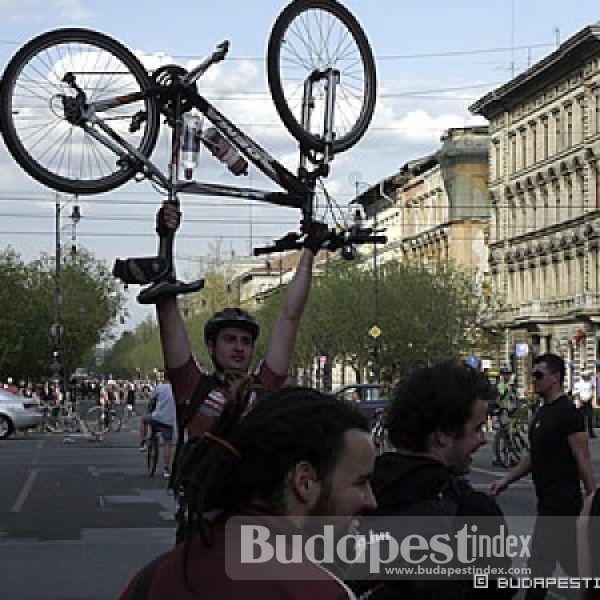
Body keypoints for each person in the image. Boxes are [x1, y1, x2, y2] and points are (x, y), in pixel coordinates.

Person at [120, 387, 377, 599]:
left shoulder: (157, 576)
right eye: (361, 482)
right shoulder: (317, 591)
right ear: (305, 481)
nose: (372, 500)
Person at [155, 202, 325, 438]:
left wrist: (309, 252)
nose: (239, 347)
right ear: (211, 347)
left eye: (246, 342)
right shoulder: (193, 386)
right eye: (230, 340)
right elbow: (166, 305)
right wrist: (166, 238)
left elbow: (290, 318)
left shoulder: (263, 387)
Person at [353, 361, 514, 599]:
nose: (483, 440)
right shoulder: (472, 510)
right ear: (442, 435)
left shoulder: (355, 494)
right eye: (477, 428)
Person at [490, 353, 596, 600]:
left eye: (539, 374)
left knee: (540, 563)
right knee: (572, 562)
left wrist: (593, 498)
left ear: (556, 378)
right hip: (547, 500)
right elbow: (533, 457)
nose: (534, 379)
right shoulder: (541, 413)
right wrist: (507, 480)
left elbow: (583, 457)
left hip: (563, 502)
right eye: (533, 374)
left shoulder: (567, 412)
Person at [140, 375, 176, 478]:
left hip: (157, 417)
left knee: (143, 420)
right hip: (169, 421)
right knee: (167, 444)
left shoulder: (159, 387)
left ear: (163, 378)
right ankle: (166, 469)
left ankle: (142, 443)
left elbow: (151, 401)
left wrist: (149, 409)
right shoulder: (176, 389)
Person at [492, 366, 517, 467]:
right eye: (506, 374)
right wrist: (502, 407)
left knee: (507, 433)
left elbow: (510, 398)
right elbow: (498, 398)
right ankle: (499, 457)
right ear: (502, 375)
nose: (508, 376)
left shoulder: (507, 385)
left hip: (508, 410)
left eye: (509, 374)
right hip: (503, 411)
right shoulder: (501, 385)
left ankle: (510, 457)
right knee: (503, 433)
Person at [574, 370, 597, 438]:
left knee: (590, 417)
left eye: (587, 376)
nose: (586, 377)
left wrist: (592, 395)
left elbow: (595, 385)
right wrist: (579, 401)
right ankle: (582, 433)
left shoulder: (591, 381)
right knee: (581, 418)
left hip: (588, 401)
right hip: (582, 401)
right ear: (582, 376)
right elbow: (577, 393)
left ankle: (591, 434)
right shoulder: (578, 383)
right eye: (585, 376)